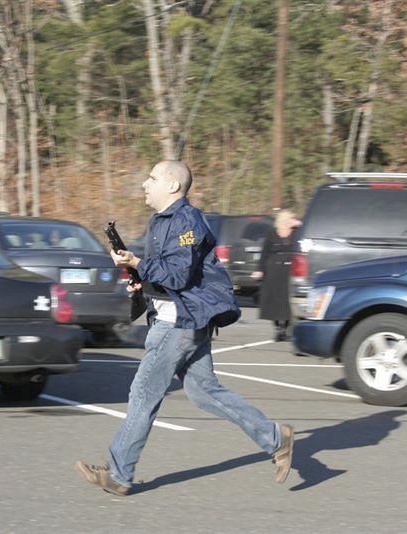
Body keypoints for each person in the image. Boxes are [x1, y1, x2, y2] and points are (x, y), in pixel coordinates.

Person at [76, 160, 294, 496]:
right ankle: (276, 438)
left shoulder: (186, 220)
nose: (145, 184)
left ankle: (119, 474)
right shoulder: (161, 220)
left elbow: (178, 275)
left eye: (152, 178)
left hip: (180, 322)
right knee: (204, 392)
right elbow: (172, 275)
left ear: (173, 186)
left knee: (143, 393)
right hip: (183, 317)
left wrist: (137, 263)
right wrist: (142, 280)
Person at [252, 209, 302, 342]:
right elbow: (264, 253)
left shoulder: (297, 232)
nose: (290, 221)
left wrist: (297, 224)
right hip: (273, 270)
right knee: (274, 300)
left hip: (289, 270)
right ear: (283, 220)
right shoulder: (272, 233)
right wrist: (260, 269)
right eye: (289, 218)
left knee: (287, 300)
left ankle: (286, 328)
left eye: (292, 219)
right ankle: (278, 328)